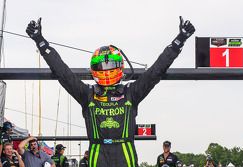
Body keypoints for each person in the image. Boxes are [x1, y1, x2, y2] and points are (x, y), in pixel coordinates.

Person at [26, 16, 195, 167]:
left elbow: (156, 71)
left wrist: (179, 41)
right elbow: (62, 72)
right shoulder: (89, 94)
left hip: (124, 152)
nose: (106, 69)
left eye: (110, 65)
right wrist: (40, 41)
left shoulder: (130, 92)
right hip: (98, 152)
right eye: (102, 65)